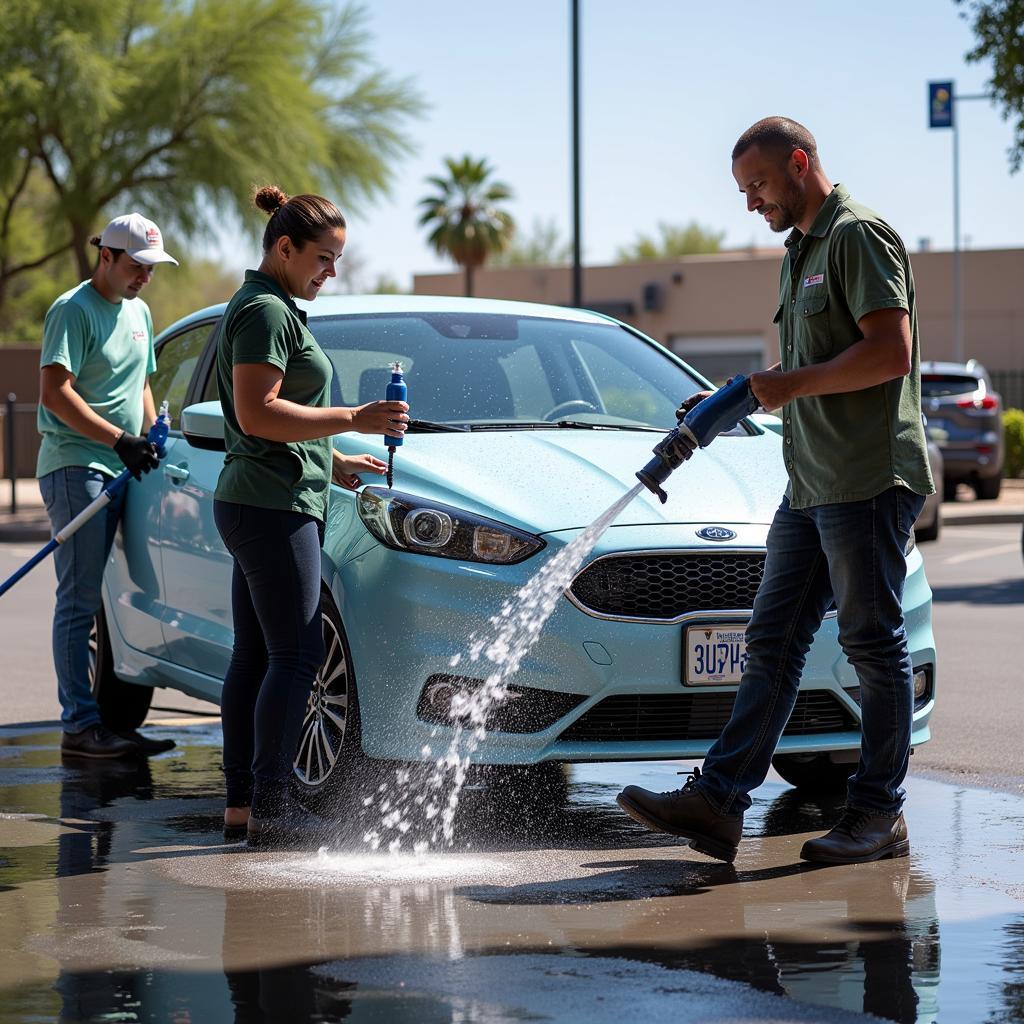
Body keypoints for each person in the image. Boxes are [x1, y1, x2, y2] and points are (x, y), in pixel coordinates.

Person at [617, 117, 934, 865]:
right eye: (743, 191)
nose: (751, 202)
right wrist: (730, 402)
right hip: (812, 480)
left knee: (871, 642)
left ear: (798, 164)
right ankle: (720, 803)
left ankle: (877, 813)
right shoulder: (798, 253)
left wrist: (784, 385)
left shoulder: (857, 235)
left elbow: (890, 353)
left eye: (758, 185)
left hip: (867, 477)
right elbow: (807, 373)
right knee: (772, 640)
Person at [215, 185, 407, 848]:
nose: (331, 271)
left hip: (261, 497)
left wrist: (334, 460)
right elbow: (258, 414)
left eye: (338, 260)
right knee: (294, 656)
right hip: (270, 507)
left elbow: (277, 422)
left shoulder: (270, 306)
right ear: (284, 247)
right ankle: (274, 801)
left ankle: (244, 803)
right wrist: (354, 418)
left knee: (256, 655)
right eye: (322, 258)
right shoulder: (266, 312)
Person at [38, 213, 179, 759]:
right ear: (107, 257)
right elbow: (55, 393)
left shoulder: (140, 311)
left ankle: (106, 722)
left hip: (124, 467)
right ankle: (79, 725)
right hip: (76, 466)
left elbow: (141, 384)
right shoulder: (73, 310)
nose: (145, 276)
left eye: (152, 268)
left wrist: (147, 439)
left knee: (119, 591)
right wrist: (119, 439)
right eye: (137, 265)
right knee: (78, 598)